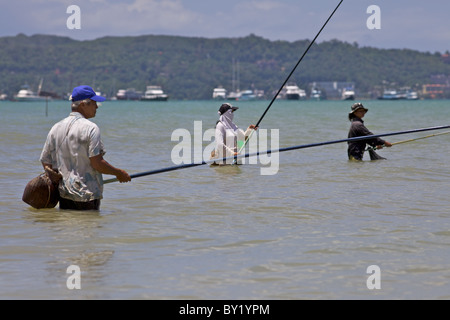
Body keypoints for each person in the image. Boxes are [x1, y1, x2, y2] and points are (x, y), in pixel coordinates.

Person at [40, 85, 131, 210]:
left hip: (63, 195)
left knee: (67, 228)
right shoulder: (91, 128)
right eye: (94, 103)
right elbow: (97, 163)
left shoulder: (56, 127)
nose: (97, 107)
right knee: (88, 227)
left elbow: (45, 162)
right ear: (83, 104)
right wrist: (118, 173)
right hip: (86, 196)